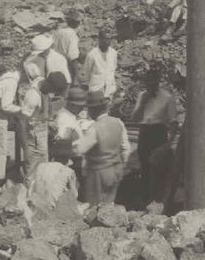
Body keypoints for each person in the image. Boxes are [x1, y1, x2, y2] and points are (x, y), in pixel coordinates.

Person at [130, 65, 180, 195]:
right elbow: (135, 119)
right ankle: (145, 198)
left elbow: (174, 122)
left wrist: (168, 144)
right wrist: (143, 104)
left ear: (158, 82)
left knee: (159, 168)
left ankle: (157, 199)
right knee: (144, 167)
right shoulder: (142, 96)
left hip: (159, 133)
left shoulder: (167, 98)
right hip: (144, 132)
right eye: (147, 83)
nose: (149, 86)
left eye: (152, 83)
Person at [75, 90, 130, 205]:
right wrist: (122, 165)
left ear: (93, 110)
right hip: (115, 170)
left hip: (98, 173)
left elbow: (80, 150)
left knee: (95, 207)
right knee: (109, 205)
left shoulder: (95, 128)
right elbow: (126, 148)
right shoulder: (118, 122)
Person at [19, 65, 68, 183]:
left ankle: (39, 190)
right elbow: (22, 120)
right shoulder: (32, 97)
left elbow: (48, 105)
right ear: (49, 85)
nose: (53, 93)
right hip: (32, 134)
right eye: (53, 90)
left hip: (41, 131)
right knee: (32, 168)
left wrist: (50, 121)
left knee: (43, 165)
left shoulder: (43, 85)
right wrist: (24, 144)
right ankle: (28, 193)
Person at [27, 138, 80, 217]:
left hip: (34, 207)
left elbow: (31, 185)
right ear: (68, 158)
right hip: (51, 210)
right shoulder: (68, 171)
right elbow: (75, 196)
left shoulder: (41, 166)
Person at [80, 27, 118, 98]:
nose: (108, 42)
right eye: (106, 39)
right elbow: (86, 73)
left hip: (109, 90)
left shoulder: (113, 53)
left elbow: (113, 69)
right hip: (95, 90)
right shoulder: (92, 55)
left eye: (110, 39)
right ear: (99, 39)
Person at [52, 11, 82, 83]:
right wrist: (77, 75)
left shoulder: (59, 32)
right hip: (67, 67)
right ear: (77, 23)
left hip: (55, 65)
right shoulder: (72, 35)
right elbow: (72, 56)